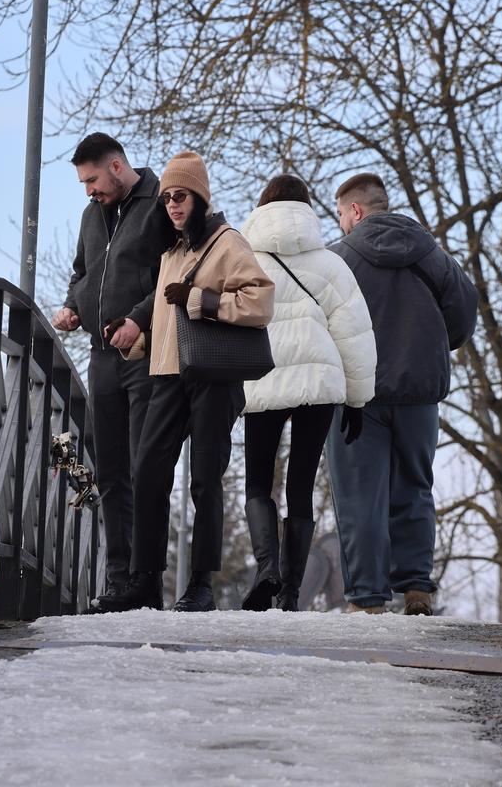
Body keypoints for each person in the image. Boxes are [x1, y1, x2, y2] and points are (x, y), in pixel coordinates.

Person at [95, 151, 275, 612]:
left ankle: (201, 585)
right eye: (167, 198)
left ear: (200, 197)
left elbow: (260, 302)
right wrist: (129, 339)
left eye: (182, 196)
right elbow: (167, 325)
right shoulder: (172, 254)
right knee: (148, 473)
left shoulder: (226, 243)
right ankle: (144, 581)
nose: (173, 204)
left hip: (214, 376)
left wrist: (200, 299)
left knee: (205, 481)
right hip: (167, 377)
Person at [327, 173, 478, 616]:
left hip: (358, 392)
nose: (339, 223)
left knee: (360, 494)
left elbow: (317, 319)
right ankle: (416, 589)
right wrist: (431, 345)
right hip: (418, 389)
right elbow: (464, 309)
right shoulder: (432, 255)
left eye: (339, 214)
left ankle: (367, 598)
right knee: (415, 487)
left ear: (355, 211)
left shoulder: (340, 259)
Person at [239, 174, 376, 611]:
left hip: (260, 376)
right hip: (318, 384)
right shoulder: (331, 263)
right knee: (300, 484)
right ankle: (291, 593)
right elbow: (354, 336)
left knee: (259, 480)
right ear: (306, 211)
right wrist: (357, 399)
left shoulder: (243, 258)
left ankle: (266, 569)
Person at [52, 133, 173, 606]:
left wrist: (138, 318)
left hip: (144, 356)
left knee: (146, 469)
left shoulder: (159, 205)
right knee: (111, 472)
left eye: (93, 180)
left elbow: (173, 276)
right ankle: (118, 581)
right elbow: (82, 273)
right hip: (101, 357)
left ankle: (147, 582)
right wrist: (71, 307)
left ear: (117, 167)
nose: (88, 190)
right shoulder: (90, 216)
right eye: (83, 182)